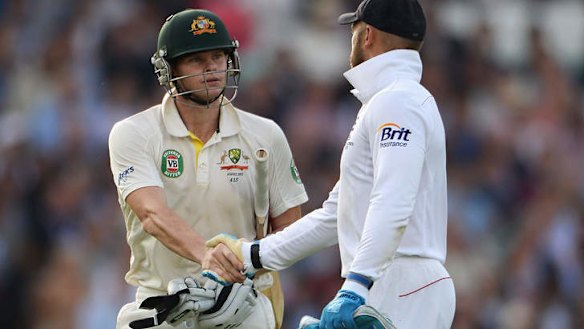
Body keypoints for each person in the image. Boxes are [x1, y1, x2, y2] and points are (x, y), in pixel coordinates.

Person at [203, 0, 456, 328]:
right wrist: (252, 255)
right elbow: (335, 214)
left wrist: (355, 285)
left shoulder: (398, 101)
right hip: (395, 281)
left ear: (367, 36)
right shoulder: (390, 100)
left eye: (353, 30)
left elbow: (394, 199)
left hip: (400, 282)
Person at [108, 8, 308, 329]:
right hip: (164, 299)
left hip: (240, 303)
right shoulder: (134, 132)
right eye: (196, 60)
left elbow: (289, 229)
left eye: (218, 57)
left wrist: (246, 269)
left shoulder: (265, 135)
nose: (212, 68)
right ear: (168, 69)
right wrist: (207, 256)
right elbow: (152, 214)